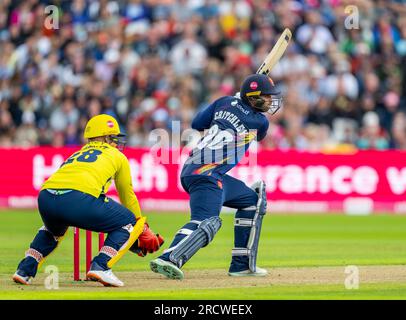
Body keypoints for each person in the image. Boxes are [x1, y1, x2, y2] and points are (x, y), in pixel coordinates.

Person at [150, 74, 282, 279]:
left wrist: (233, 105)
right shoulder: (260, 122)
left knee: (252, 201)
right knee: (207, 221)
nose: (270, 102)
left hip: (198, 170)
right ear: (254, 98)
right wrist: (241, 106)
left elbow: (197, 123)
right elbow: (259, 132)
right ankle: (168, 258)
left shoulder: (223, 101)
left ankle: (242, 265)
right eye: (266, 97)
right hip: (206, 174)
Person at [13, 114, 164, 287]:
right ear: (105, 137)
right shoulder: (117, 155)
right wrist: (140, 227)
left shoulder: (77, 153)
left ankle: (24, 270)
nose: (116, 142)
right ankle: (101, 265)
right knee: (128, 221)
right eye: (113, 137)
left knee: (53, 231)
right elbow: (127, 194)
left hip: (46, 197)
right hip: (78, 198)